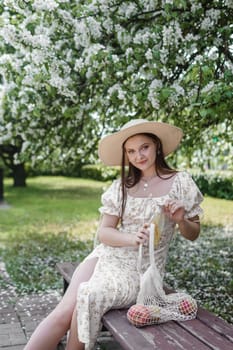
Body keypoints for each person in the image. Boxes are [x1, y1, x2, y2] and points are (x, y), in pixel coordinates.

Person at [24, 119, 203, 350]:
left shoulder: (181, 182)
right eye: (130, 151)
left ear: (157, 146)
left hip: (141, 270)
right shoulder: (122, 187)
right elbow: (104, 233)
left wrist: (181, 220)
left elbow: (194, 233)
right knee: (63, 312)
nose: (138, 155)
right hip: (107, 256)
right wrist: (131, 238)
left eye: (144, 147)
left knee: (87, 298)